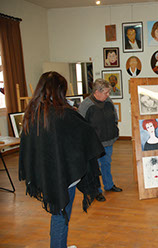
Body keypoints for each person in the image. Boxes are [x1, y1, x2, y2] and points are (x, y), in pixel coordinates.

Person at [18, 71, 104, 248]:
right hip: (62, 175)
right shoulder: (62, 114)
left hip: (44, 173)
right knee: (61, 215)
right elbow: (87, 134)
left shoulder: (31, 113)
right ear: (59, 91)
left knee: (57, 213)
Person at [78, 78, 123, 202]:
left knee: (106, 164)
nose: (108, 95)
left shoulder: (108, 101)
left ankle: (109, 185)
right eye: (106, 92)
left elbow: (115, 116)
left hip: (108, 141)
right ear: (97, 92)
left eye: (109, 92)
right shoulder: (86, 105)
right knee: (94, 168)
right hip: (94, 144)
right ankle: (96, 191)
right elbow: (80, 125)